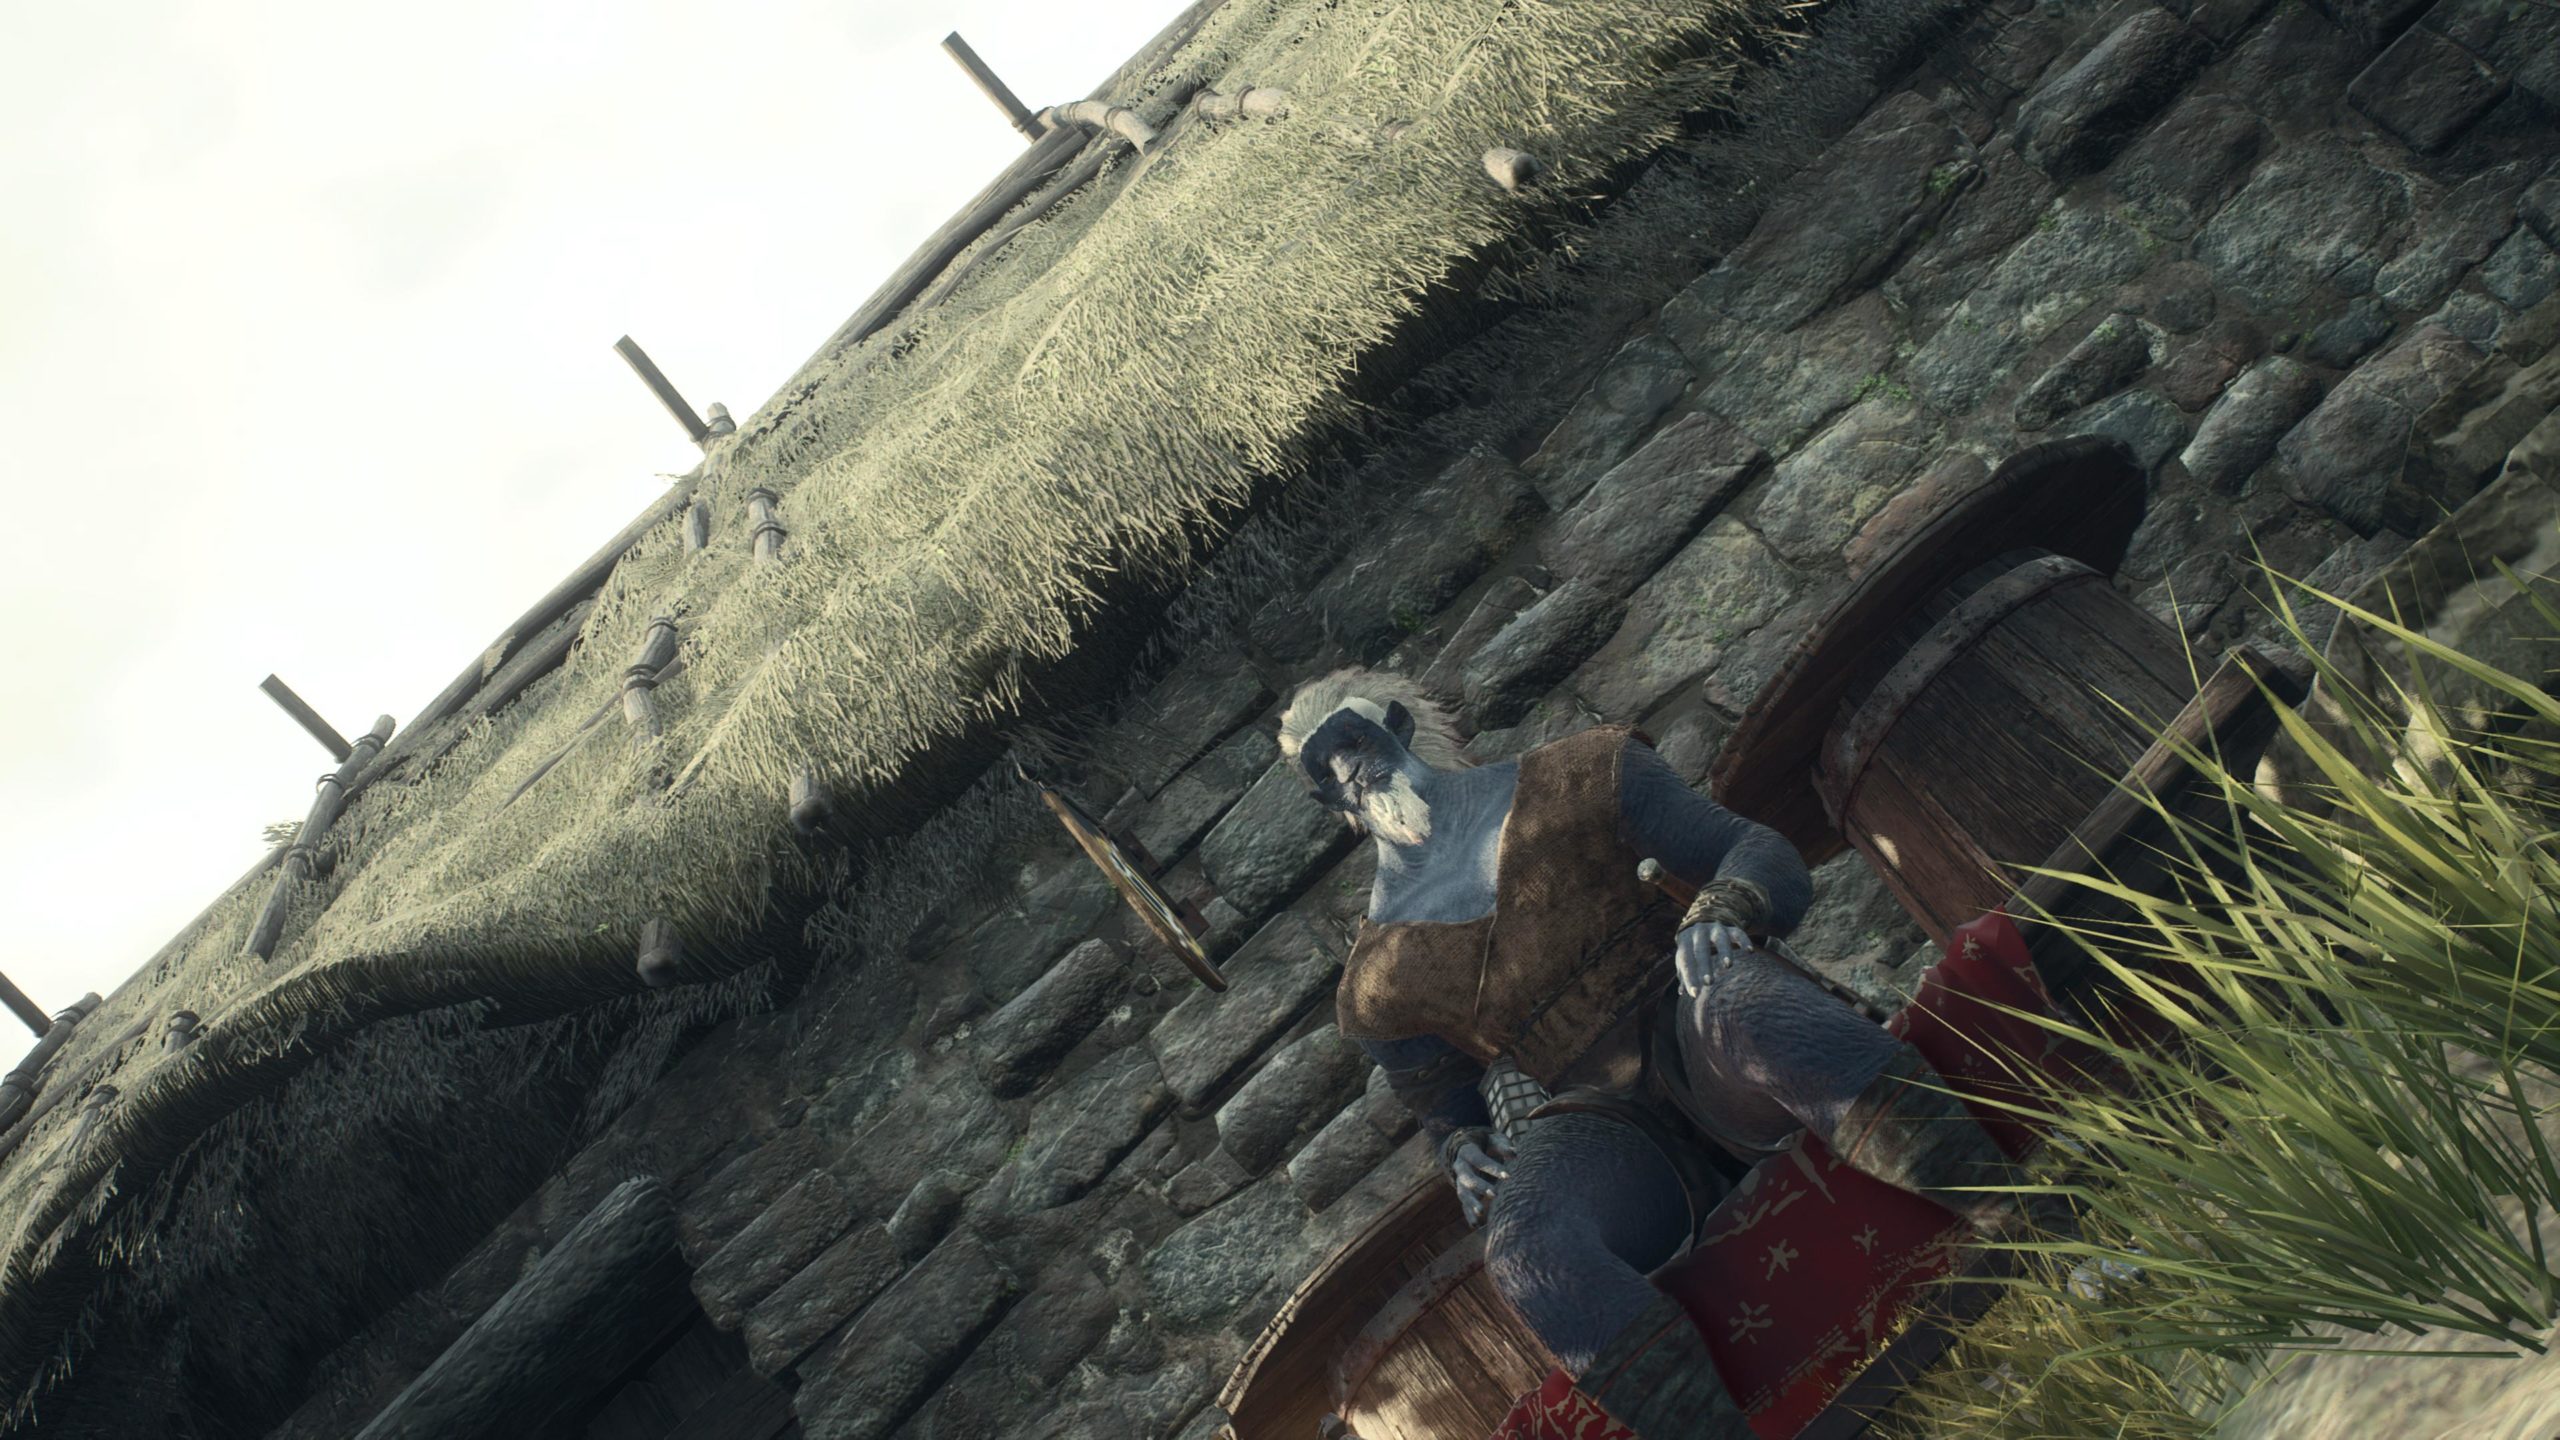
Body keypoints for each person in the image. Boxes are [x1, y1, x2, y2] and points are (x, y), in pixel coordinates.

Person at [1279, 668, 2024, 1438]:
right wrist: (1460, 1145)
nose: (1348, 770)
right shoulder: (1378, 978)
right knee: (1528, 1246)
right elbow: (1440, 1096)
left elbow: (1753, 850)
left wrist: (1726, 905)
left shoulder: (1584, 776)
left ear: (1398, 725)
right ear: (1326, 802)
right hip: (1601, 1128)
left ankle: (2031, 1228)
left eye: (1353, 740)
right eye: (1324, 771)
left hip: (1702, 1022)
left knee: (1744, 1008)